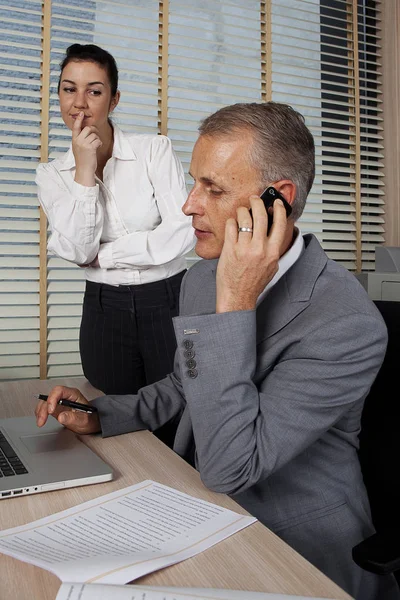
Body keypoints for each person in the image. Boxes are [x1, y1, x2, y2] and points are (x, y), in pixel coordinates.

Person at [35, 101, 399, 600]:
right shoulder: (204, 277)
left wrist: (236, 303)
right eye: (194, 182)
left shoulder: (346, 322)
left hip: (295, 547)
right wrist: (99, 415)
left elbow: (232, 466)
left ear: (278, 199)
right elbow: (184, 387)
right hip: (197, 509)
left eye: (214, 189)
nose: (188, 205)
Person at [36, 44, 195, 444]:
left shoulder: (152, 150)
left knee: (180, 416)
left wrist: (102, 256)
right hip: (105, 310)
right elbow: (75, 250)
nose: (79, 103)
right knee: (114, 422)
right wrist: (85, 169)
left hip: (170, 301)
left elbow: (183, 231)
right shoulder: (52, 175)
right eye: (69, 89)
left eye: (94, 90)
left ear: (114, 98)